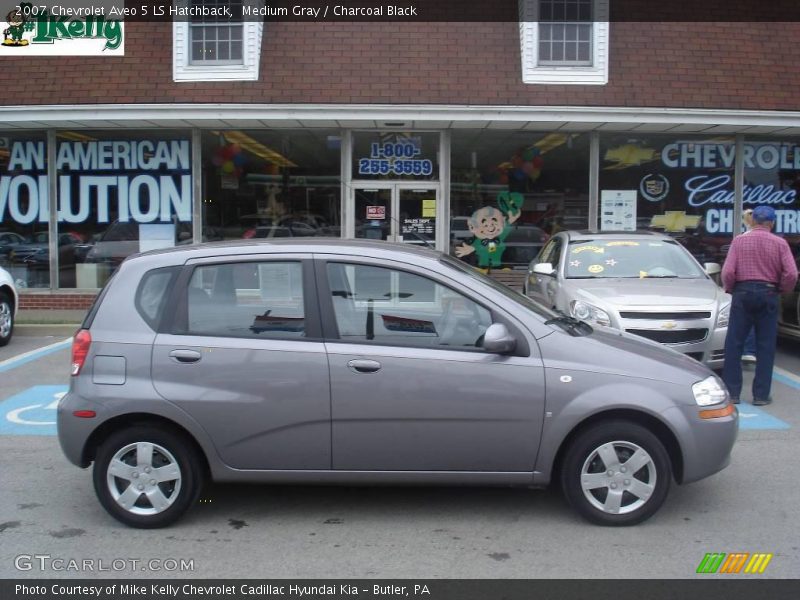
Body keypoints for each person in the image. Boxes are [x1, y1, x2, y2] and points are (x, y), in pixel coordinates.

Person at [721, 205, 798, 405]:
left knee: (734, 343)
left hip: (743, 292)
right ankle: (761, 395)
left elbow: (728, 272)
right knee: (766, 345)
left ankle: (733, 392)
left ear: (753, 221)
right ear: (771, 223)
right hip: (769, 292)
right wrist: (782, 289)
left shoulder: (739, 241)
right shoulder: (780, 243)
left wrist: (730, 288)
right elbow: (791, 273)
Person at [740, 209, 757, 364]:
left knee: (745, 319)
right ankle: (752, 350)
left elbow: (730, 269)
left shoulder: (742, 239)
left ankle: (746, 350)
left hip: (745, 285)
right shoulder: (775, 240)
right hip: (767, 287)